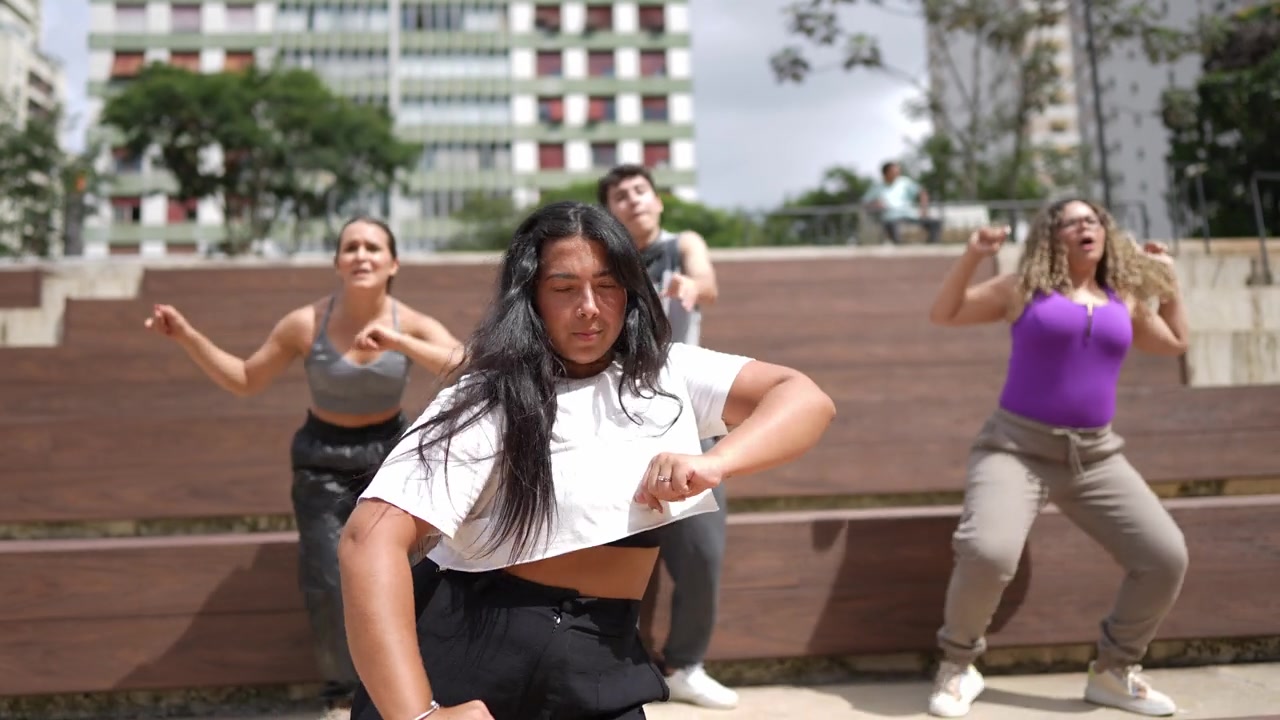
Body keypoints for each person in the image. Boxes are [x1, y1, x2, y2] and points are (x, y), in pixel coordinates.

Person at [337, 200, 836, 720]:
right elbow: (367, 541)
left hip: (602, 651)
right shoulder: (486, 399)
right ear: (530, 296)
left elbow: (804, 398)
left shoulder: (665, 375)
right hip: (472, 650)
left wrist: (715, 463)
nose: (590, 307)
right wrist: (418, 716)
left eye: (607, 284)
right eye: (564, 288)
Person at [143, 217, 465, 718]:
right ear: (337, 262)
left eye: (373, 247)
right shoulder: (304, 323)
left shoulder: (410, 321)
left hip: (388, 457)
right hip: (321, 461)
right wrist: (186, 335)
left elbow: (465, 365)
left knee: (398, 570)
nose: (361, 255)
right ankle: (344, 692)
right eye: (351, 247)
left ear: (393, 263)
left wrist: (399, 343)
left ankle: (407, 686)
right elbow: (245, 378)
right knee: (327, 578)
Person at [925, 199, 1190, 718]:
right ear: (1052, 236)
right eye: (1070, 222)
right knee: (988, 552)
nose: (1083, 227)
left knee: (1164, 558)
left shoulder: (1123, 297)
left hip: (1095, 456)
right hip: (1015, 448)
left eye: (1092, 220)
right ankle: (958, 665)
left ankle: (1114, 672)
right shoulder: (1024, 288)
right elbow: (945, 313)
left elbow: (1175, 342)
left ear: (1105, 233)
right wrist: (973, 255)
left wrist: (1168, 281)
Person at [597, 164, 737, 709]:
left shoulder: (684, 245)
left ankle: (686, 664)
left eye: (641, 191)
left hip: (685, 425)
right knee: (608, 555)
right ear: (610, 211)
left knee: (702, 553)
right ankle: (605, 667)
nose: (633, 200)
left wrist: (691, 286)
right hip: (615, 423)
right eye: (620, 195)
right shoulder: (604, 260)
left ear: (657, 200)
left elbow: (708, 283)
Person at [861, 161, 942, 245]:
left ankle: (932, 246)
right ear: (885, 173)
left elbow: (922, 193)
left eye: (898, 172)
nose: (897, 174)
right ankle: (899, 246)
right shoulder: (877, 186)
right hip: (891, 217)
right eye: (894, 172)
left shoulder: (904, 182)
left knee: (935, 223)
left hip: (909, 214)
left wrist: (923, 210)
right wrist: (875, 204)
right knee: (894, 230)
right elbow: (864, 203)